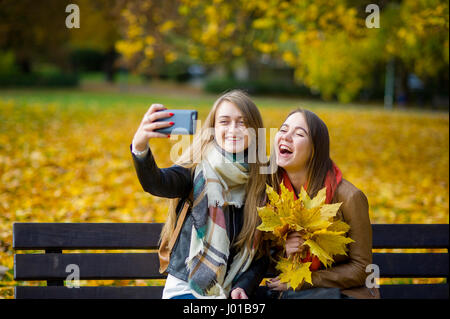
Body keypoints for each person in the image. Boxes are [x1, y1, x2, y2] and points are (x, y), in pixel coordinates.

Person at [130, 90, 268, 299]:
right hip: (187, 289)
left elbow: (260, 253)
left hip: (231, 292)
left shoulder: (261, 181)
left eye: (242, 122)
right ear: (213, 128)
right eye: (224, 121)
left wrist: (243, 286)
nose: (233, 129)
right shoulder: (195, 170)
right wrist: (140, 148)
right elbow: (157, 183)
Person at [260, 108, 379, 299]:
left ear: (315, 150)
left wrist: (303, 281)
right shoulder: (269, 190)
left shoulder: (350, 197)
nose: (286, 137)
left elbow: (362, 269)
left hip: (341, 294)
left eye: (299, 134)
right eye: (283, 130)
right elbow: (262, 255)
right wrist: (285, 249)